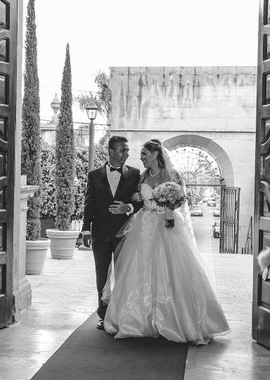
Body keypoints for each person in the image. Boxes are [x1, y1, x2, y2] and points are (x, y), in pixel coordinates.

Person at [102, 139, 230, 345]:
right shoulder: (143, 175)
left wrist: (169, 212)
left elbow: (181, 199)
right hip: (144, 226)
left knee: (172, 269)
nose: (141, 158)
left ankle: (174, 319)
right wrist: (136, 197)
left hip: (167, 225)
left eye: (144, 154)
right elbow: (137, 198)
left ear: (155, 154)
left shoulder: (173, 175)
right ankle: (136, 318)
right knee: (139, 268)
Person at [81, 135, 142, 330]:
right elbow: (88, 204)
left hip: (125, 234)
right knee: (102, 275)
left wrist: (128, 207)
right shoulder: (94, 175)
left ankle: (123, 314)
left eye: (127, 150)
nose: (126, 153)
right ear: (111, 151)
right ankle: (104, 314)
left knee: (124, 275)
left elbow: (141, 201)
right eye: (122, 150)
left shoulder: (135, 174)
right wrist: (85, 230)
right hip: (100, 234)